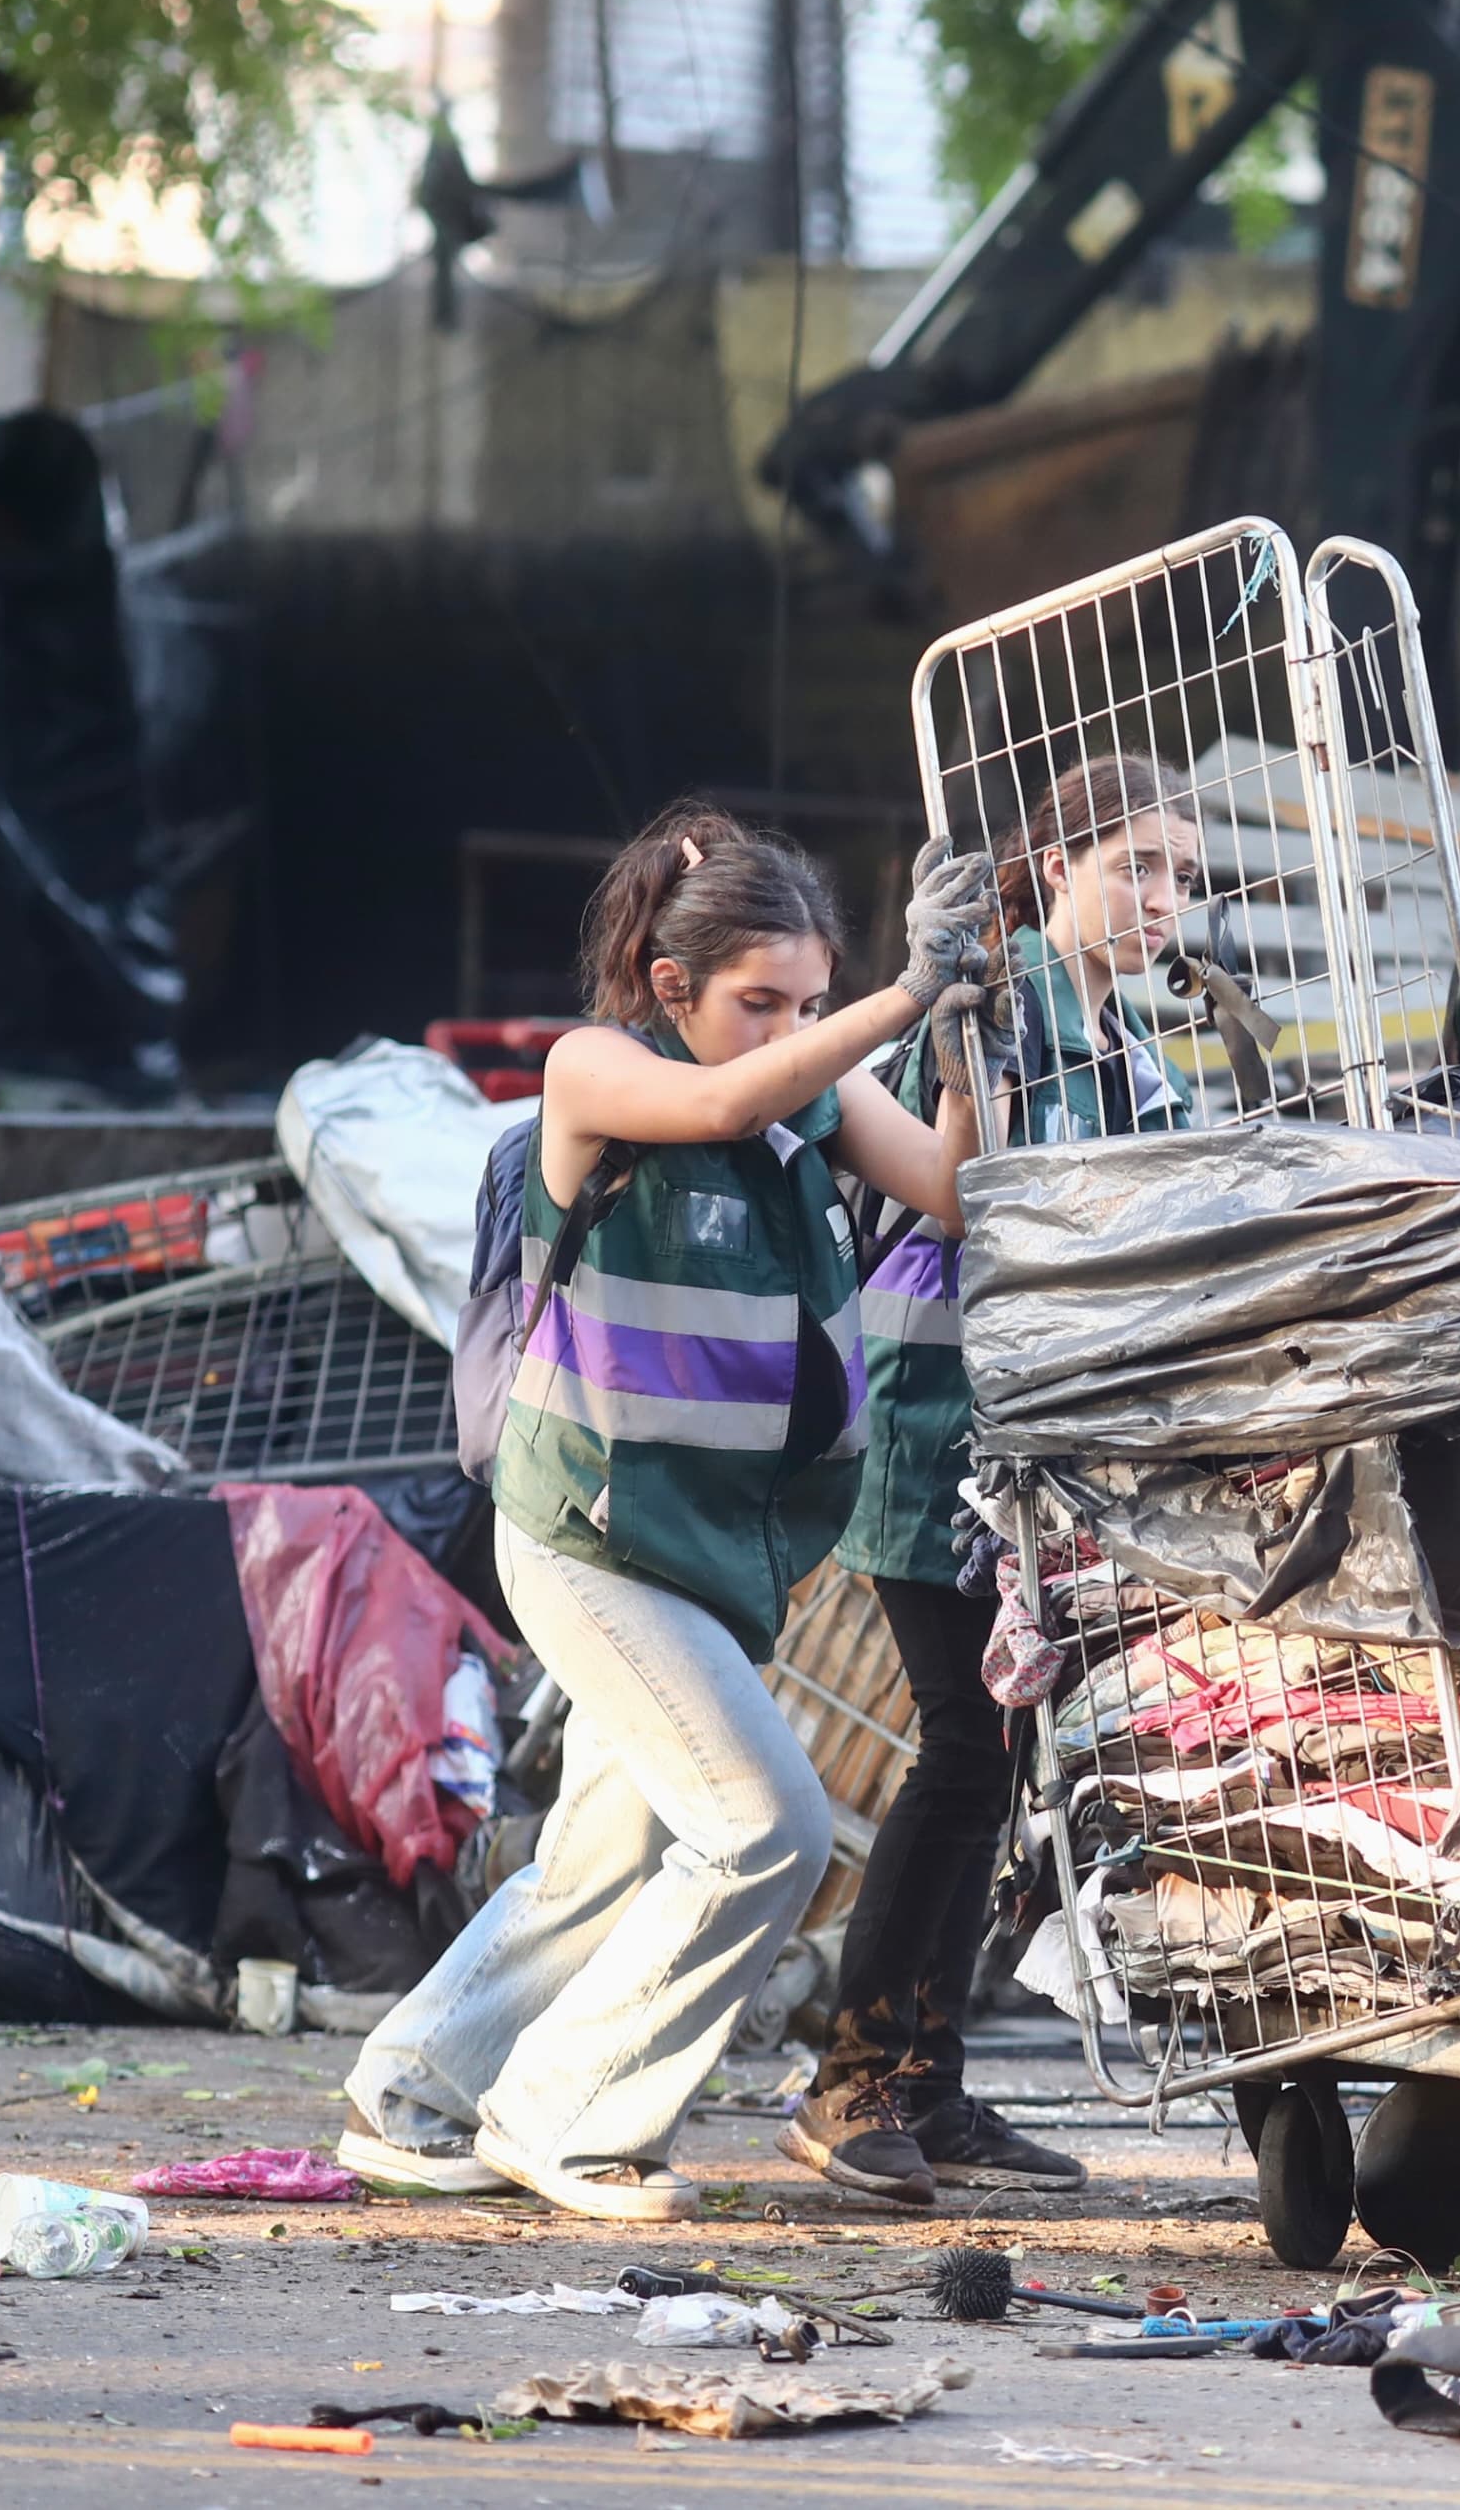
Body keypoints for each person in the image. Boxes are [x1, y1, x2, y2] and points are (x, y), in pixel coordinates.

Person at [339, 806, 996, 2223]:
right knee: (769, 1826)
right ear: (667, 982)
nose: (788, 1032)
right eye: (760, 1001)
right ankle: (571, 2117)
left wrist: (954, 1049)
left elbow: (950, 1191)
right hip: (588, 1535)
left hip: (706, 1547)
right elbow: (720, 1108)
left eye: (808, 1004)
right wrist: (902, 994)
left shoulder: (810, 1089)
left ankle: (414, 2089)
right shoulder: (596, 1069)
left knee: (607, 1851)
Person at [784, 754, 1203, 2208]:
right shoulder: (981, 1003)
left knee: (999, 1763)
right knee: (964, 1748)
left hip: (1049, 1454)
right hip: (939, 1430)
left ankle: (928, 2082)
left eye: (1184, 876)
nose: (1165, 900)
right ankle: (849, 2084)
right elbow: (946, 1189)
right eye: (1136, 865)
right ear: (1055, 864)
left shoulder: (1134, 1048)